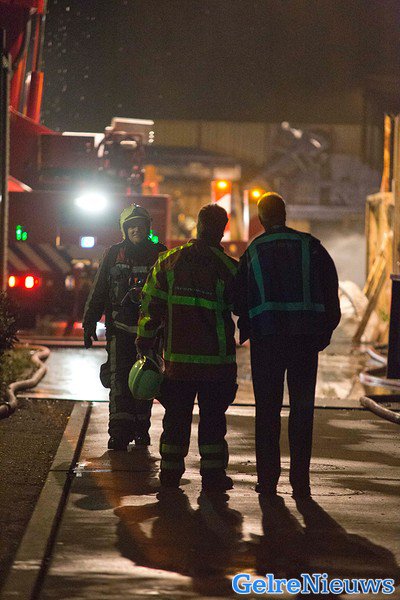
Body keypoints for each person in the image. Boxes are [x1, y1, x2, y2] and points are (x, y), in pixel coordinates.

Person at [234, 192, 340, 499]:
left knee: (267, 412)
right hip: (304, 342)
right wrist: (323, 332)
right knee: (302, 411)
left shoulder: (253, 250)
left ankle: (267, 482)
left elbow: (238, 299)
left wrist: (250, 324)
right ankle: (300, 483)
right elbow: (331, 295)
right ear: (285, 214)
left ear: (261, 218)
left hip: (266, 342)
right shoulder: (311, 246)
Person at [136, 204, 238, 491]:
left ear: (198, 225)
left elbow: (150, 305)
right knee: (213, 421)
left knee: (176, 419)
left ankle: (170, 474)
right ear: (222, 230)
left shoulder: (168, 262)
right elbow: (244, 307)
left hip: (178, 363)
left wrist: (144, 340)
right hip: (216, 364)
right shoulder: (230, 268)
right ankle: (213, 477)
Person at [83, 204, 167, 450]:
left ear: (148, 227)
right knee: (119, 382)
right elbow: (99, 291)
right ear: (124, 229)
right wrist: (89, 323)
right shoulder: (112, 254)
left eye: (140, 225)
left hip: (150, 334)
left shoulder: (161, 254)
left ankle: (141, 430)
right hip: (119, 332)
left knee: (145, 381)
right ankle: (119, 433)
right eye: (131, 226)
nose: (136, 230)